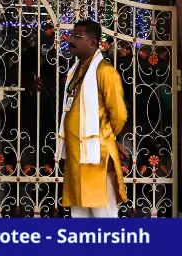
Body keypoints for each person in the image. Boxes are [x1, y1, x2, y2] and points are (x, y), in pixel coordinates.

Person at [57, 19, 127, 218]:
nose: (72, 40)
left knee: (102, 211)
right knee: (79, 210)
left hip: (97, 153)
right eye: (72, 35)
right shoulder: (78, 70)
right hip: (76, 152)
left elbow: (119, 114)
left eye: (77, 36)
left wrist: (106, 136)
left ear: (93, 42)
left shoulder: (104, 71)